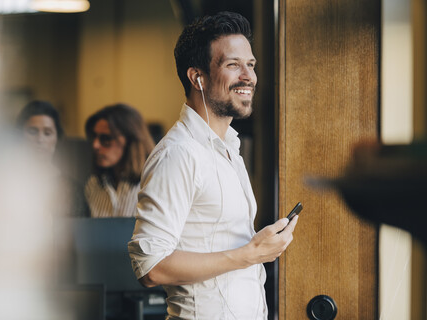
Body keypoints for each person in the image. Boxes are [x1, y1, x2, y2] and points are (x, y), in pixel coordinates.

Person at [128, 11, 298, 319]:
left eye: (251, 64)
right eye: (233, 64)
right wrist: (249, 255)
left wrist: (255, 251)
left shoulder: (228, 148)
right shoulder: (178, 154)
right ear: (198, 78)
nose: (249, 76)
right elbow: (150, 266)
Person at [16, 100, 89, 217]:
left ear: (57, 138)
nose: (40, 139)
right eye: (32, 131)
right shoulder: (7, 184)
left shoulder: (73, 190)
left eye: (47, 133)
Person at [84, 103, 155, 218]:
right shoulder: (93, 185)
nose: (95, 145)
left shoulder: (152, 184)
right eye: (94, 137)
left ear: (131, 141)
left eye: (106, 138)